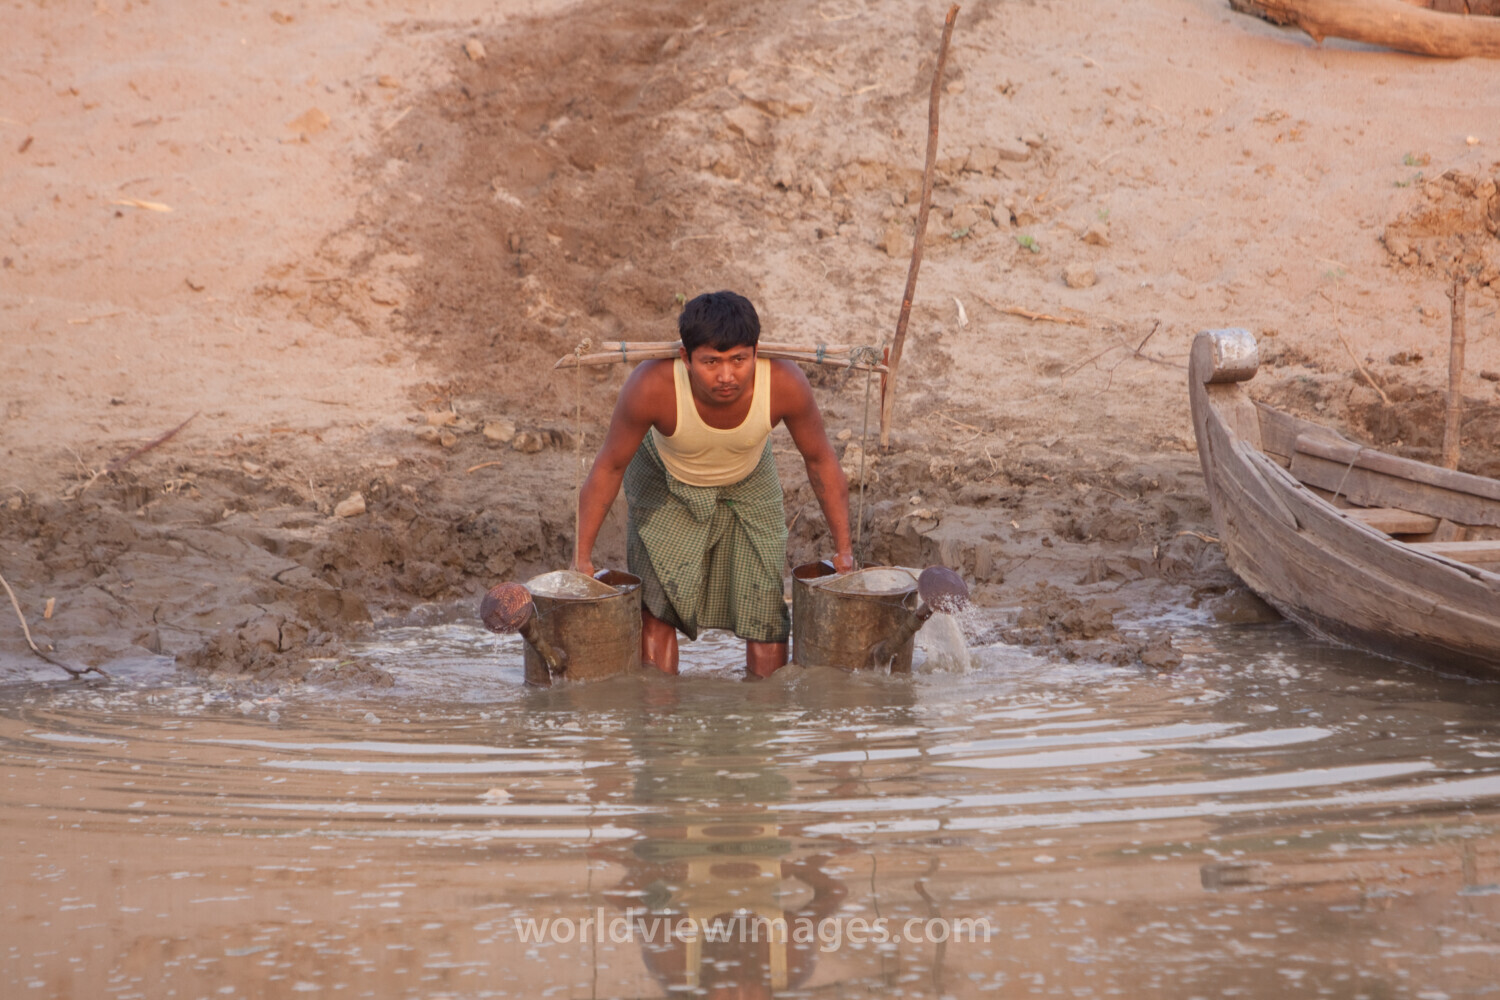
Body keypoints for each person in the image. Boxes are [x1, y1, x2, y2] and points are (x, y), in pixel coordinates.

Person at [573, 290, 854, 678]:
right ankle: (661, 725)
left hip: (748, 479)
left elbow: (821, 460)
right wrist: (581, 561)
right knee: (658, 605)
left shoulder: (784, 383)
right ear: (686, 359)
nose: (726, 376)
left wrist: (845, 552)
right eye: (711, 362)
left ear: (756, 352)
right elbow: (608, 468)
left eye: (739, 360)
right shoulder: (652, 386)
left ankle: (762, 717)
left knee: (766, 607)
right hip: (665, 478)